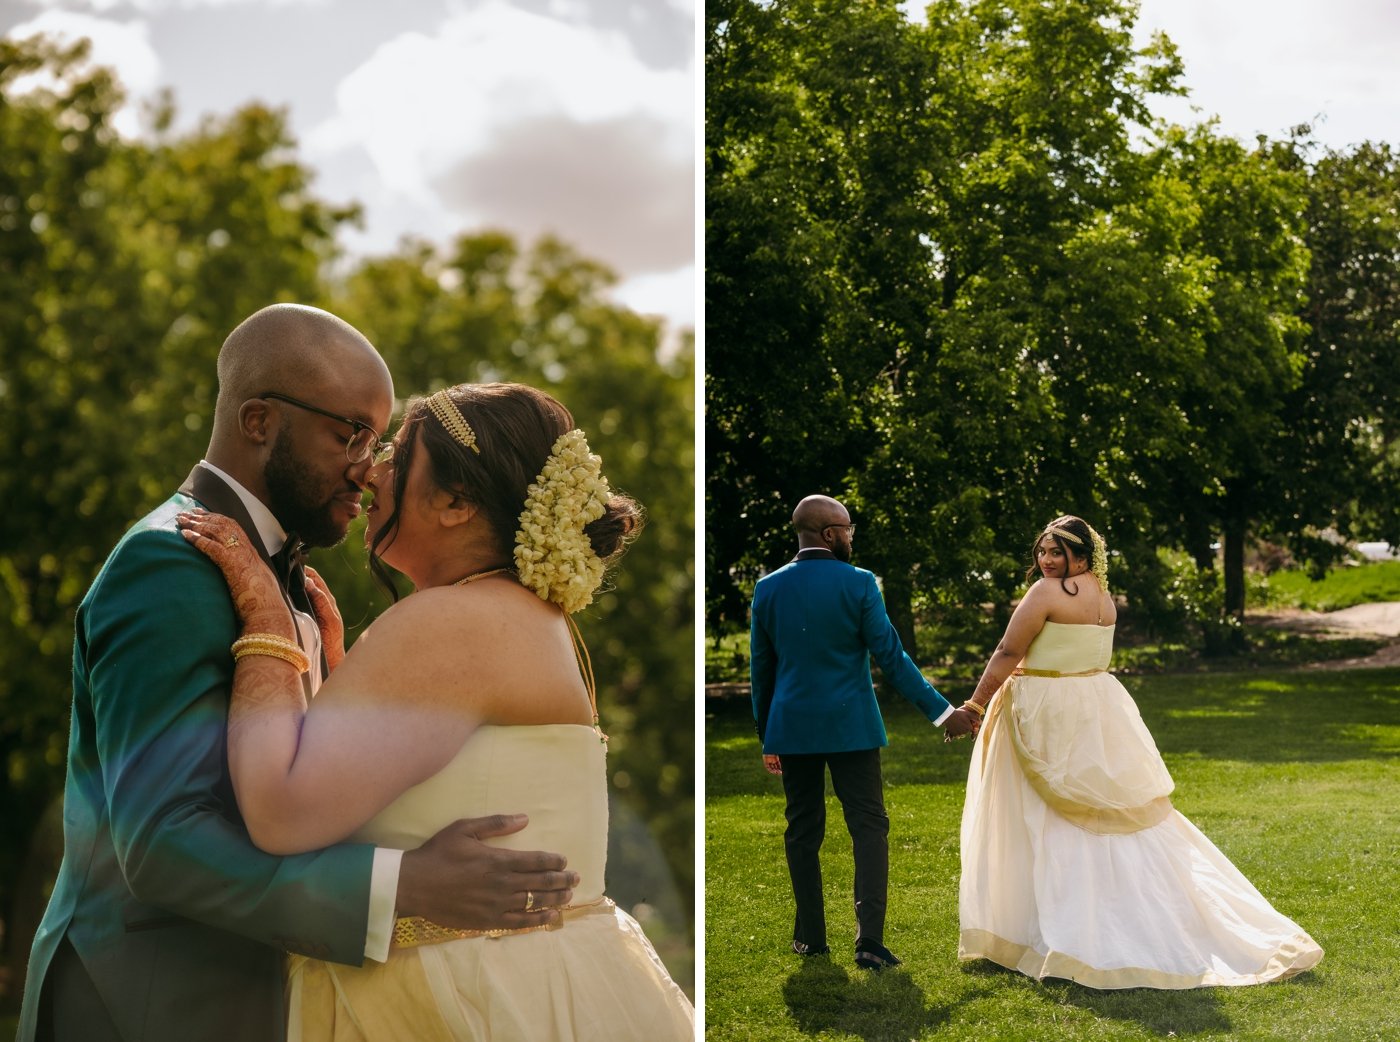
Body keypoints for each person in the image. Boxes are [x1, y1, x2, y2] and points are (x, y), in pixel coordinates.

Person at [18, 306, 577, 1042]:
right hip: (148, 1007)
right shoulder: (170, 561)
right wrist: (400, 887)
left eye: (378, 442)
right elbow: (161, 841)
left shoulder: (287, 580)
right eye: (350, 435)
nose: (367, 468)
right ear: (259, 421)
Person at [176, 381, 695, 1039]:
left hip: (458, 1001)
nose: (370, 471)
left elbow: (279, 813)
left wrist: (267, 624)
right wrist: (335, 671)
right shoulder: (529, 617)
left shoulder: (451, 622)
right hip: (536, 984)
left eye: (396, 455)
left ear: (456, 502)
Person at [954, 514, 1324, 988]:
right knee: (1103, 813)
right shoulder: (1103, 597)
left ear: (1082, 556)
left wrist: (974, 704)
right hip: (1095, 707)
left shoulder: (1046, 593)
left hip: (1046, 709)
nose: (1046, 560)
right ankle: (1098, 916)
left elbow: (1009, 650)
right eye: (1042, 551)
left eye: (1057, 552)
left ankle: (1062, 931)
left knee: (1044, 815)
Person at [749, 494, 978, 970]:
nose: (851, 537)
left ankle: (811, 939)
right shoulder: (859, 583)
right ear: (830, 534)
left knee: (803, 830)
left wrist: (768, 736)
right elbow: (891, 657)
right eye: (848, 529)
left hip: (792, 729)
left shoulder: (767, 588)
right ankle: (869, 941)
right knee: (869, 827)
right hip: (851, 726)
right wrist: (944, 713)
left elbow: (761, 671)